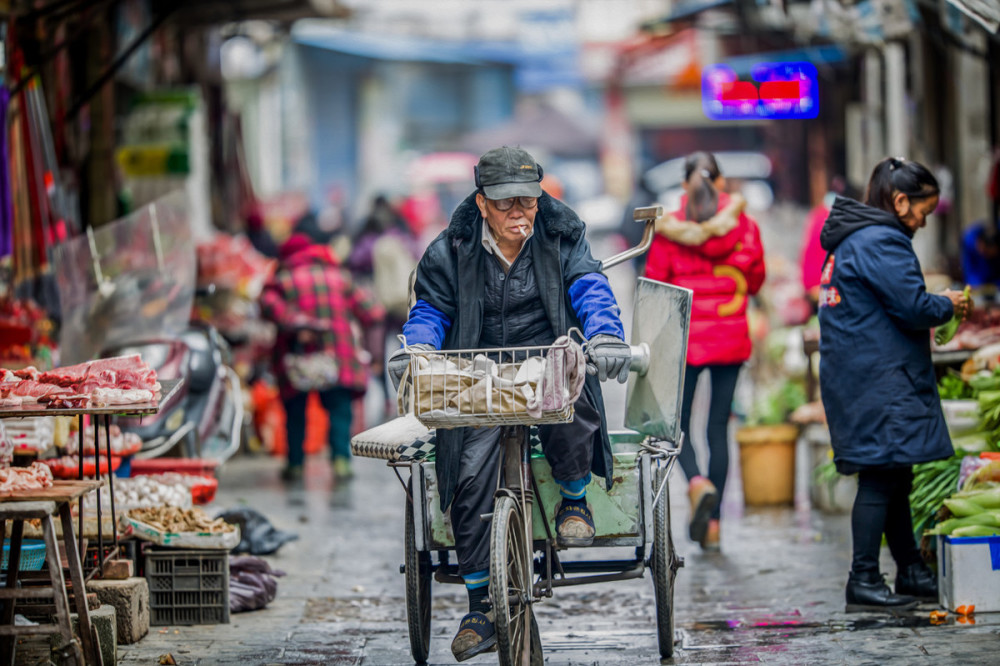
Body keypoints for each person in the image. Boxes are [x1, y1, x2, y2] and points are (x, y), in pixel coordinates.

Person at [387, 146, 631, 662]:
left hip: (547, 360)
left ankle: (574, 496)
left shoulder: (562, 231)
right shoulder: (450, 248)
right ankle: (480, 602)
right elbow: (430, 308)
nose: (519, 211)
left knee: (571, 403)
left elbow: (590, 286)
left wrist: (606, 335)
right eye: (505, 203)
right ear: (481, 204)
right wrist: (417, 350)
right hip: (479, 374)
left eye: (528, 200)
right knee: (469, 469)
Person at [817, 157, 971, 612]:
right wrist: (947, 304)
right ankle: (862, 577)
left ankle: (909, 569)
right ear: (900, 200)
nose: (924, 222)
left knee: (894, 472)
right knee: (881, 477)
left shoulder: (856, 238)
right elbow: (913, 306)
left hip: (863, 376)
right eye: (923, 211)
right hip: (876, 380)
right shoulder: (881, 240)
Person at [643, 152, 765, 552]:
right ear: (722, 181)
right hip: (731, 339)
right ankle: (713, 526)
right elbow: (757, 278)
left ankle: (696, 483)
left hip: (687, 342)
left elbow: (658, 287)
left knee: (675, 425)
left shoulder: (668, 229)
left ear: (684, 186)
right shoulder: (743, 225)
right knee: (718, 428)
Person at [260, 232, 385, 482]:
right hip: (338, 356)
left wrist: (298, 323)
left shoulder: (281, 279)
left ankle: (295, 465)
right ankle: (341, 461)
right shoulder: (340, 277)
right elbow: (373, 312)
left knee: (295, 413)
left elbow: (267, 305)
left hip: (297, 359)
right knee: (339, 410)